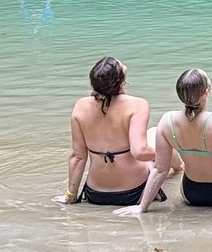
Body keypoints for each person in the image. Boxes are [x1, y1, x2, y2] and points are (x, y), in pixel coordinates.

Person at [133, 68, 212, 221]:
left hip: (190, 194)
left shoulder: (167, 121)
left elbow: (160, 169)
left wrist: (142, 207)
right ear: (206, 92)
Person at [55, 57, 156, 207]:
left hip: (95, 193)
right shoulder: (137, 105)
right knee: (156, 134)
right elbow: (140, 151)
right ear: (121, 80)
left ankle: (178, 166)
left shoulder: (80, 106)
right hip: (133, 192)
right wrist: (167, 151)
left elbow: (78, 157)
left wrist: (71, 195)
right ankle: (180, 168)